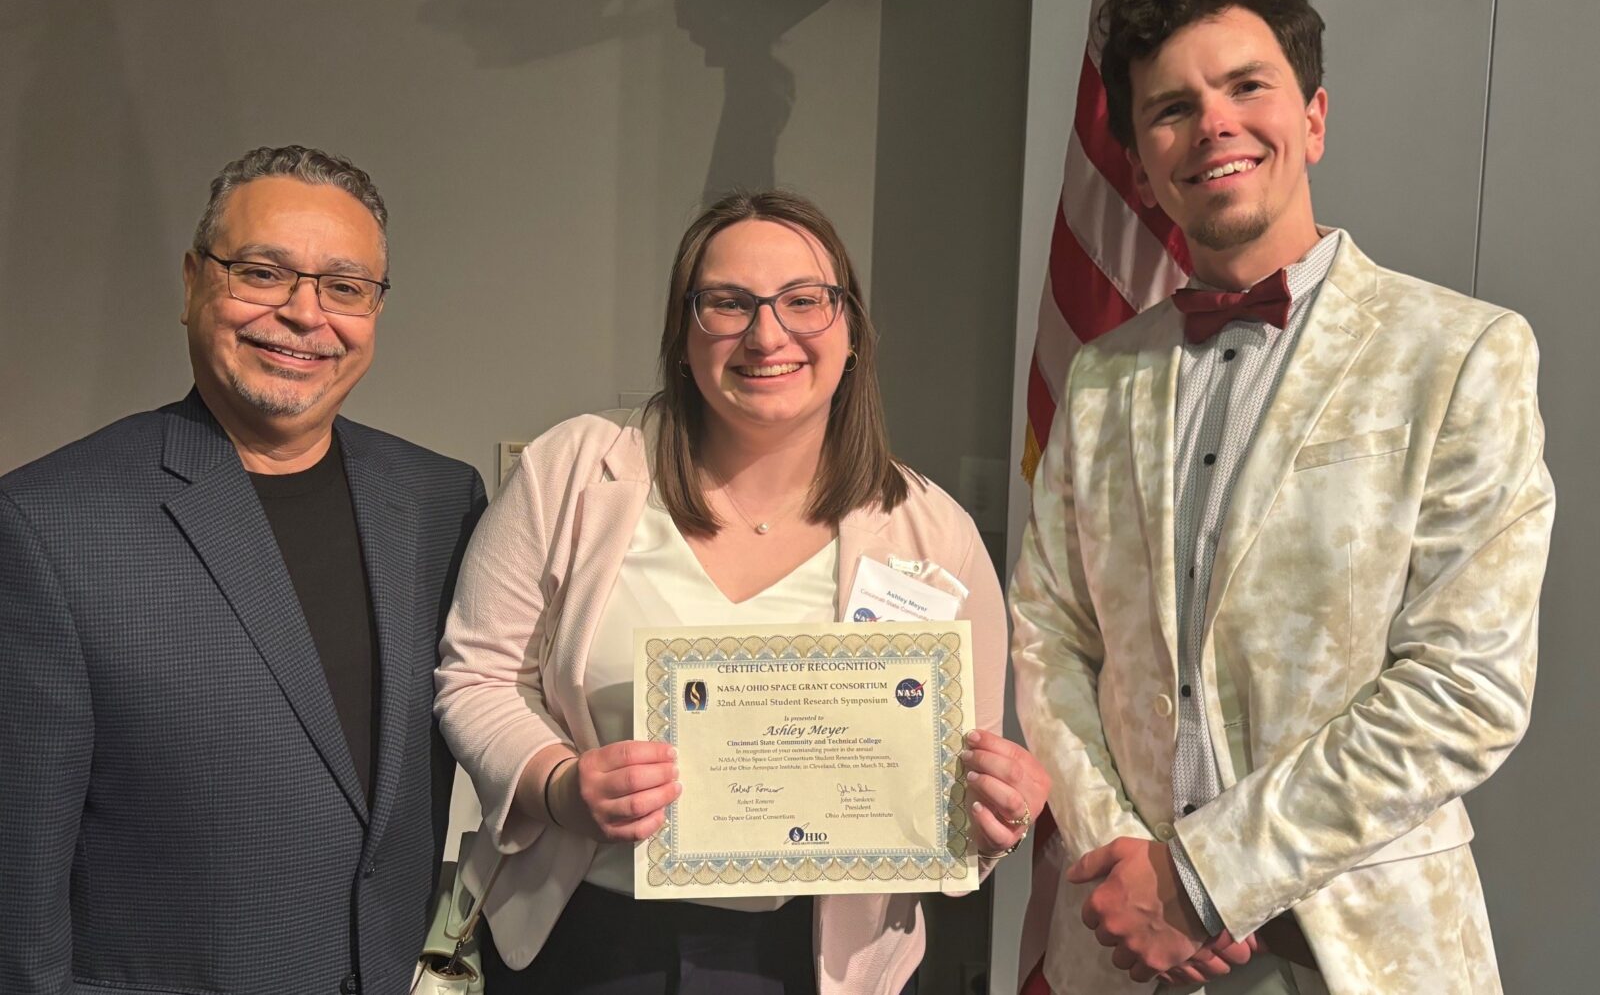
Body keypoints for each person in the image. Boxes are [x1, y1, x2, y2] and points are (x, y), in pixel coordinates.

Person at [1011, 0, 1553, 995]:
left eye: (1244, 86)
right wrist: (1131, 865)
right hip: (1128, 952)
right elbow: (1047, 636)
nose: (1211, 122)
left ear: (1310, 118)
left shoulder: (1461, 354)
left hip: (1358, 951)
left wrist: (1205, 876)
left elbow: (1464, 686)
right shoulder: (1095, 379)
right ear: (1139, 163)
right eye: (1170, 107)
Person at [435, 190, 1051, 994]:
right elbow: (477, 675)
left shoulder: (933, 533)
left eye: (804, 301)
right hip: (583, 938)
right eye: (727, 303)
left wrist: (993, 809)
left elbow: (954, 767)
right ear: (683, 335)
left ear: (852, 331)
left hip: (814, 959)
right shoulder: (575, 472)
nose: (767, 333)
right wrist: (559, 786)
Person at [0, 145, 486, 995]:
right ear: (193, 282)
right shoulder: (47, 523)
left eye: (345, 287)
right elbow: (16, 881)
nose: (305, 316)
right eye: (262, 273)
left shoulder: (442, 501)